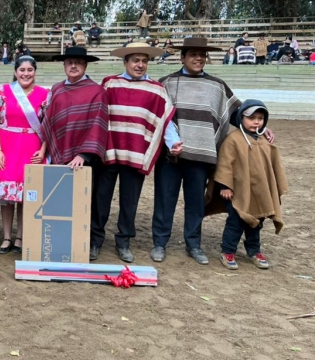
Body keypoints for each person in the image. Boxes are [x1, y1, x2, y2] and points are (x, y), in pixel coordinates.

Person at [150, 37, 250, 265]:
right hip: (170, 157)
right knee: (164, 201)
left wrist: (260, 127)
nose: (198, 58)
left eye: (202, 55)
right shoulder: (165, 82)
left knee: (195, 203)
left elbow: (236, 113)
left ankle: (193, 244)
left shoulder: (217, 85)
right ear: (182, 56)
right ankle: (159, 243)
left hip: (201, 155)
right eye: (193, 54)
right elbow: (155, 116)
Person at [91, 43, 175, 263]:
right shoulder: (109, 84)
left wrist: (174, 142)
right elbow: (97, 114)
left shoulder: (156, 89)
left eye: (144, 61)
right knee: (101, 199)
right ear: (125, 62)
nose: (140, 65)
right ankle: (95, 240)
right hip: (110, 152)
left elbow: (164, 120)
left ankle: (123, 241)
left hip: (136, 152)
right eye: (135, 60)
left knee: (130, 201)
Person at [0, 55, 48, 254]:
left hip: (32, 146)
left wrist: (43, 150)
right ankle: (7, 237)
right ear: (16, 72)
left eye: (30, 70)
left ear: (35, 72)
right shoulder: (2, 91)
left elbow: (48, 126)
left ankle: (21, 237)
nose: (26, 74)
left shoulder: (44, 94)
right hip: (6, 145)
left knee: (26, 195)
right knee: (7, 197)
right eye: (22, 70)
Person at [206, 100, 287, 270]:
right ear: (241, 117)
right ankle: (227, 251)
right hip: (237, 192)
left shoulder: (265, 141)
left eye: (260, 118)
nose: (256, 122)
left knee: (257, 221)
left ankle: (254, 251)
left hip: (259, 192)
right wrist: (225, 186)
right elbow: (225, 164)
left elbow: (271, 166)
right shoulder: (233, 140)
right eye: (251, 118)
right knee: (236, 221)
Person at [42, 46, 108, 170]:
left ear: (85, 66)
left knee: (82, 189)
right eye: (70, 63)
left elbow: (98, 125)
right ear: (64, 65)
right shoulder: (57, 88)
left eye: (78, 63)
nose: (73, 66)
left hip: (84, 159)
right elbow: (50, 120)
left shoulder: (97, 91)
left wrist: (83, 155)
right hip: (57, 151)